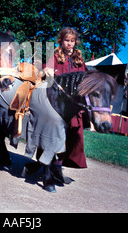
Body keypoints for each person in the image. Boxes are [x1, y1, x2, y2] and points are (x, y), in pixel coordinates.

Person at [45, 27, 90, 172]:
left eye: (72, 41)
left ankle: (62, 161)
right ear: (61, 41)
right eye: (66, 40)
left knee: (75, 132)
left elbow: (84, 78)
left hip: (73, 103)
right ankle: (50, 161)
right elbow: (46, 68)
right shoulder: (56, 56)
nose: (69, 44)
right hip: (57, 100)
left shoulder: (79, 60)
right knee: (56, 131)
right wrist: (47, 70)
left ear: (75, 42)